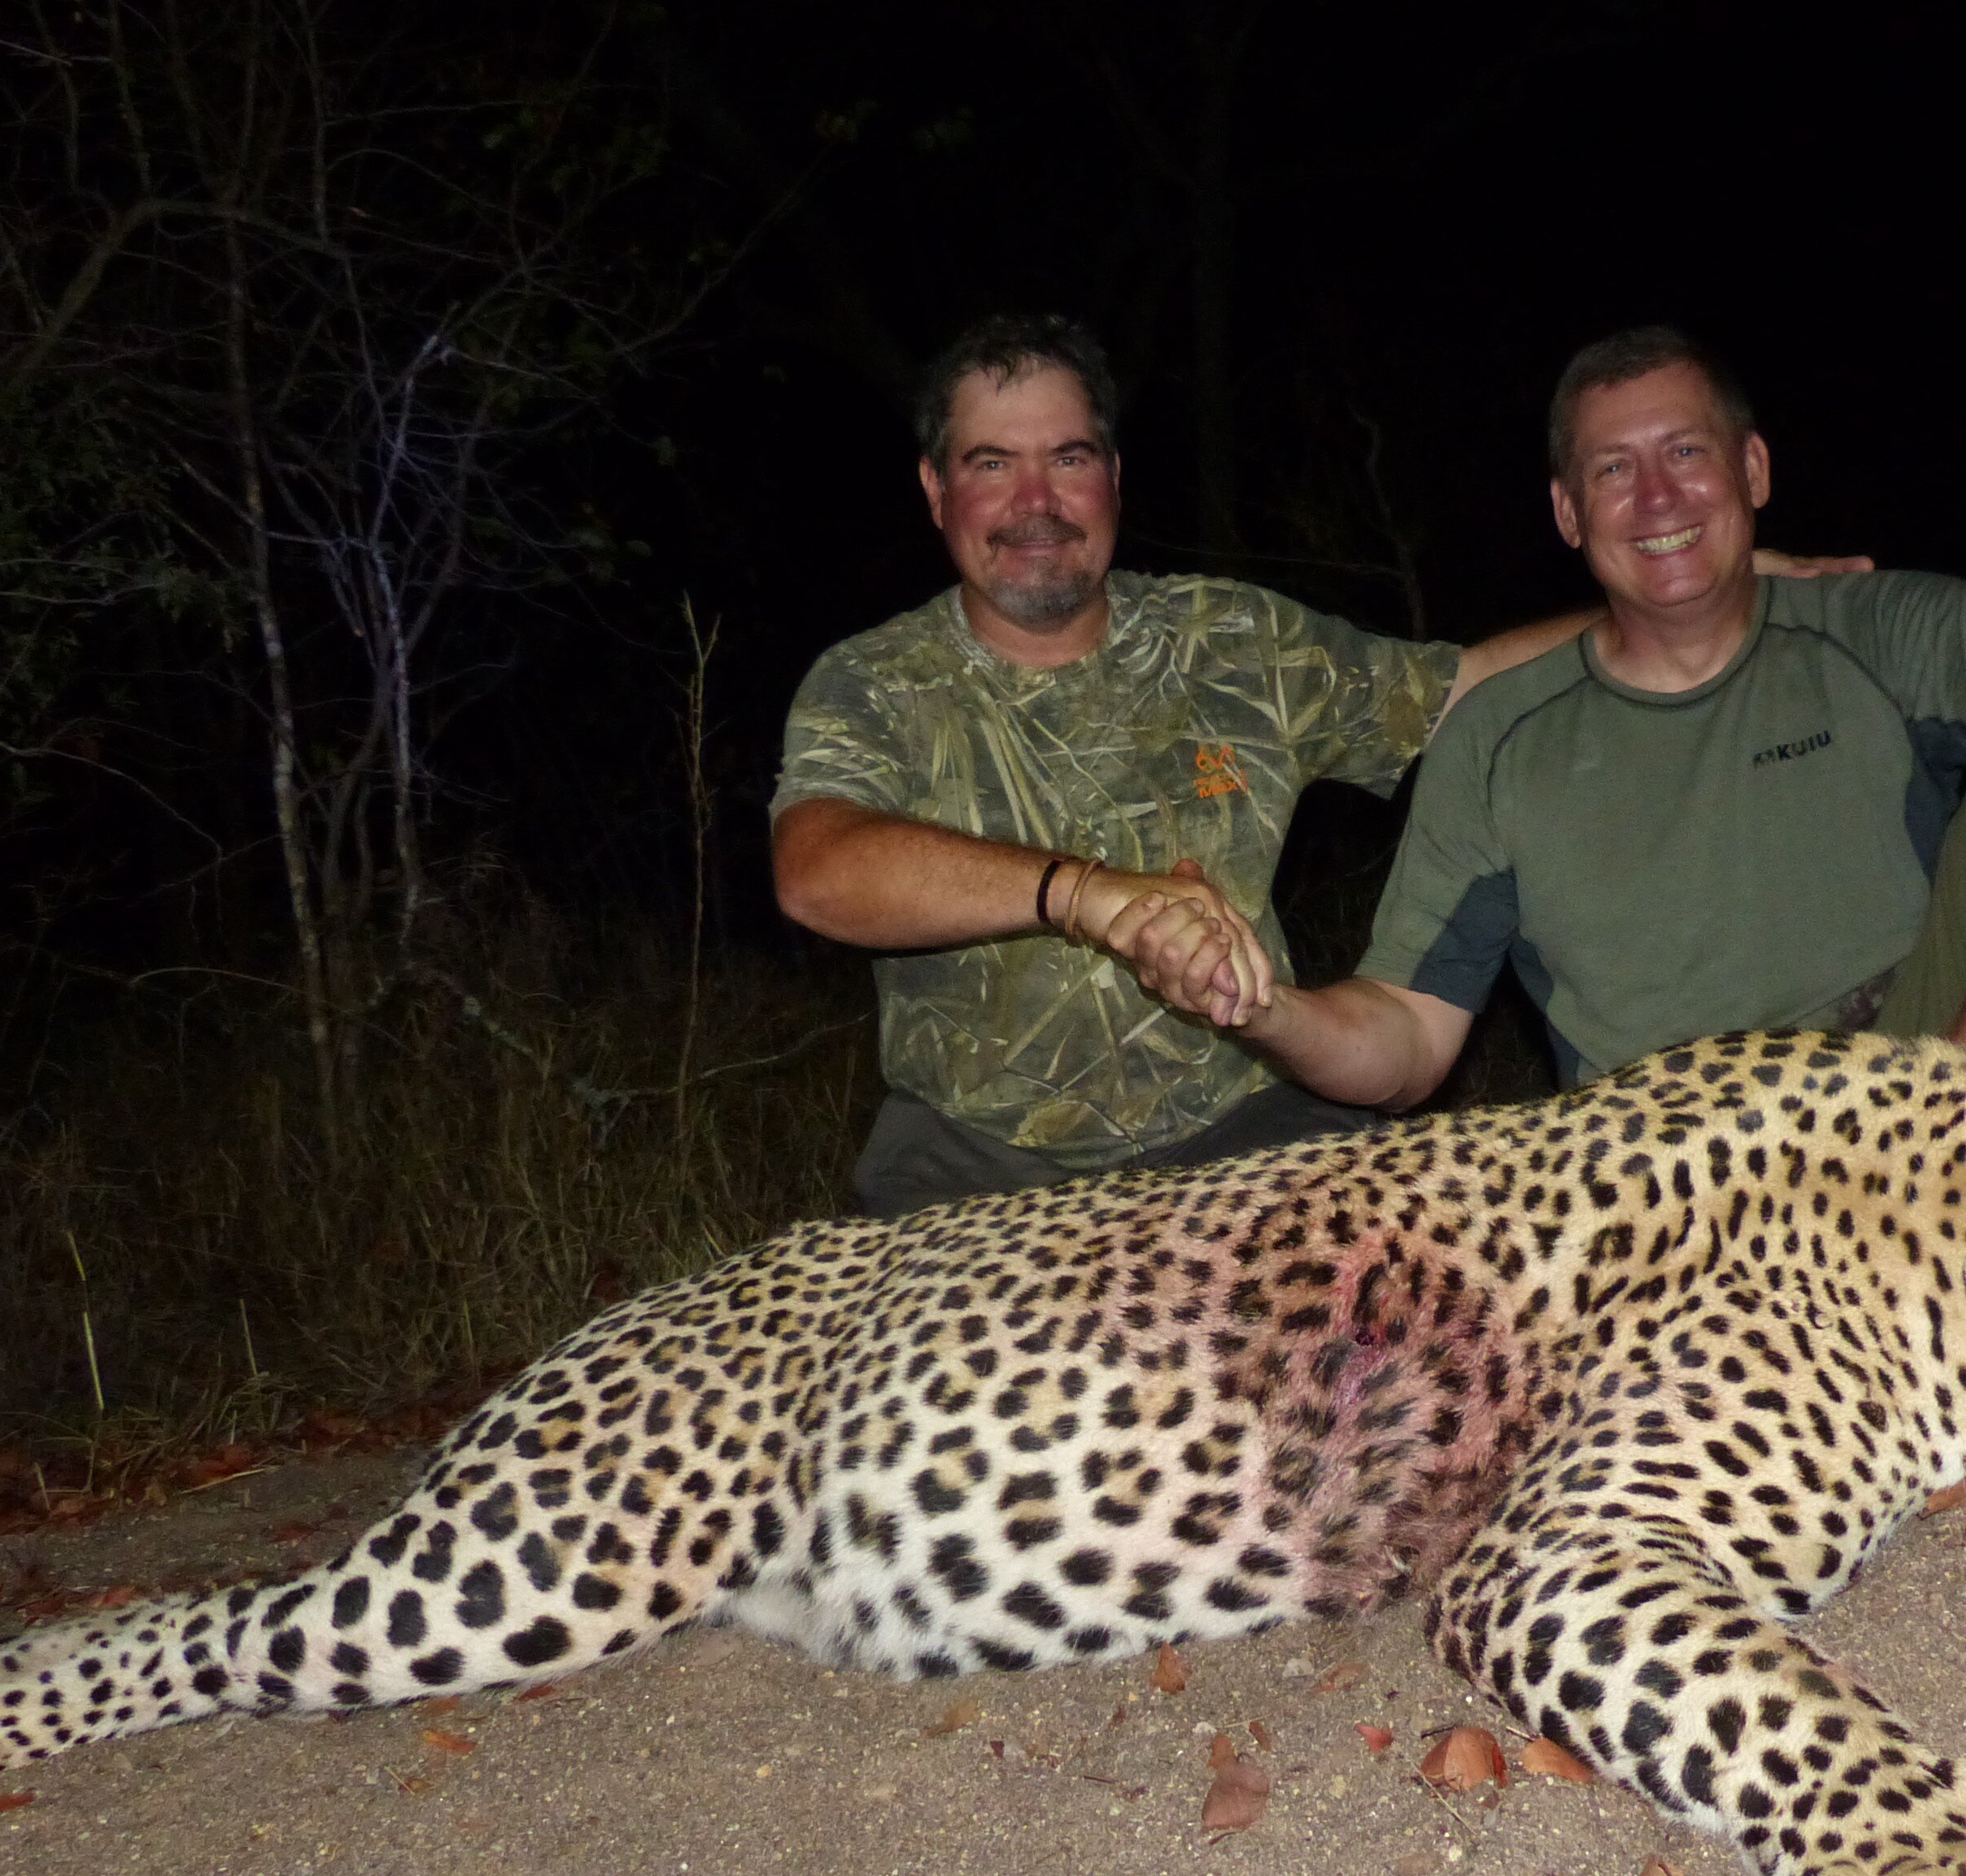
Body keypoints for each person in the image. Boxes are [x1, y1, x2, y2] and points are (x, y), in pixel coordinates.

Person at [771, 313, 1858, 1217]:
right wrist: (1088, 898)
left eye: (1069, 458)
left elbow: (1460, 688)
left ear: (1112, 478)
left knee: (1417, 1359)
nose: (1036, 503)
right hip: (972, 1158)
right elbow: (818, 868)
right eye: (991, 465)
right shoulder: (875, 681)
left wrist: (1696, 585)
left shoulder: (1232, 641)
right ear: (935, 490)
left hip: (1248, 1126)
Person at [1117, 324, 1966, 1107]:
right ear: (1568, 513)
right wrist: (1267, 1004)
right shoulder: (1500, 737)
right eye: (1614, 468)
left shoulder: (1872, 631)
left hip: (1921, 1079)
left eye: (1688, 455)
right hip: (1684, 1165)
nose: (1657, 496)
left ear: (1752, 474)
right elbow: (1404, 1038)